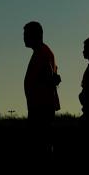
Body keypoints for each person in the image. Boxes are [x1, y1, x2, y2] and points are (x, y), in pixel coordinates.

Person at [23, 21, 61, 156]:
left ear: (35, 35)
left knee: (40, 145)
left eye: (26, 34)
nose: (24, 37)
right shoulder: (41, 52)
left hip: (42, 106)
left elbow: (49, 79)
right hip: (38, 105)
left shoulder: (43, 53)